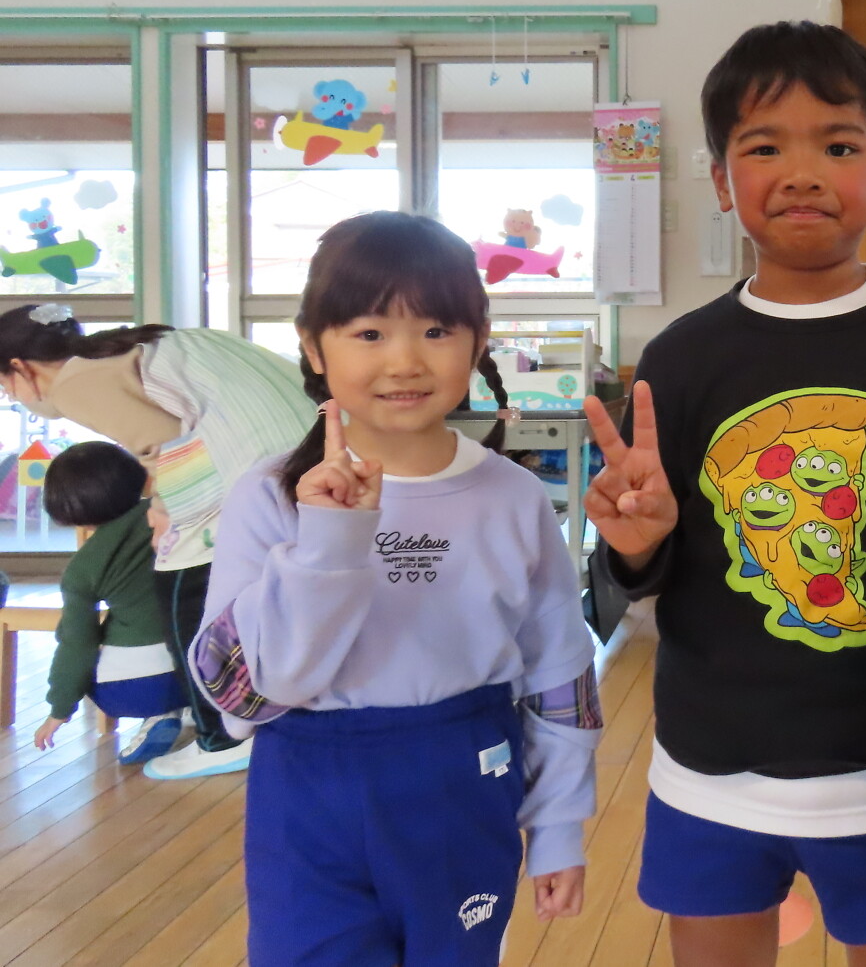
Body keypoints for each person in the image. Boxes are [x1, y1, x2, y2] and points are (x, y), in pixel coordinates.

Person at [582, 21, 866, 967]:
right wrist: (635, 542)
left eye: (838, 146)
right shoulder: (682, 357)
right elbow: (639, 570)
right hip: (711, 762)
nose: (803, 174)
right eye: (764, 148)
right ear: (722, 181)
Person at [187, 211, 600, 966]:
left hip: (463, 774)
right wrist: (329, 542)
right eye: (370, 332)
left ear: (478, 341)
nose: (405, 361)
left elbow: (560, 673)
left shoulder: (513, 496)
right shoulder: (271, 495)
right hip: (308, 788)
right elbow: (239, 694)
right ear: (314, 347)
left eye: (437, 330)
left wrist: (557, 825)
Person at [0, 301, 316, 779]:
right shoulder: (151, 342)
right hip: (311, 455)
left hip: (260, 470)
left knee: (181, 590)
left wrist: (166, 511)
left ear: (21, 367)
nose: (13, 395)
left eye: (6, 384)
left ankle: (221, 738)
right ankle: (258, 713)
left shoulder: (73, 382)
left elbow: (165, 446)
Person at [32, 441, 187, 766]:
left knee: (90, 653)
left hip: (140, 684)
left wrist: (60, 708)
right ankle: (196, 707)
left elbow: (77, 644)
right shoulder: (174, 508)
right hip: (209, 662)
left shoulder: (82, 570)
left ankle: (161, 712)